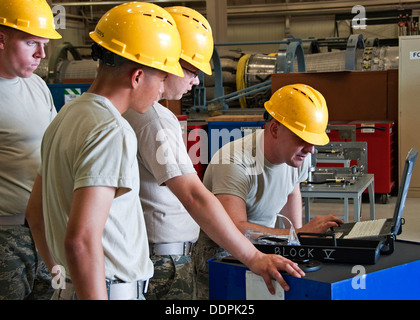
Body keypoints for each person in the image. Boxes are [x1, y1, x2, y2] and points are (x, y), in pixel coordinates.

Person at [124, 6, 305, 300]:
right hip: (164, 259)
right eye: (193, 71)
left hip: (155, 253)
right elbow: (194, 197)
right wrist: (254, 258)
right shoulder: (153, 119)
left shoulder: (126, 113)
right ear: (168, 60)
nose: (196, 81)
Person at [25, 2, 184, 300]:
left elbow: (35, 214)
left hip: (75, 288)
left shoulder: (65, 116)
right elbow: (81, 241)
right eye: (162, 78)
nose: (163, 89)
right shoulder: (113, 129)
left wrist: (60, 275)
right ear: (137, 77)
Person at [193, 84, 344, 299]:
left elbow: (291, 194)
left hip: (265, 246)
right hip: (222, 254)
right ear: (274, 129)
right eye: (302, 139)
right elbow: (233, 227)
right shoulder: (235, 160)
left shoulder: (298, 156)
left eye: (313, 141)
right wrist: (297, 235)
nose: (310, 149)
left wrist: (301, 239)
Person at [0, 0, 61, 300]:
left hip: (44, 233)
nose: (42, 54)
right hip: (5, 240)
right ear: (1, 39)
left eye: (44, 44)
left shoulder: (37, 86)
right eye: (31, 43)